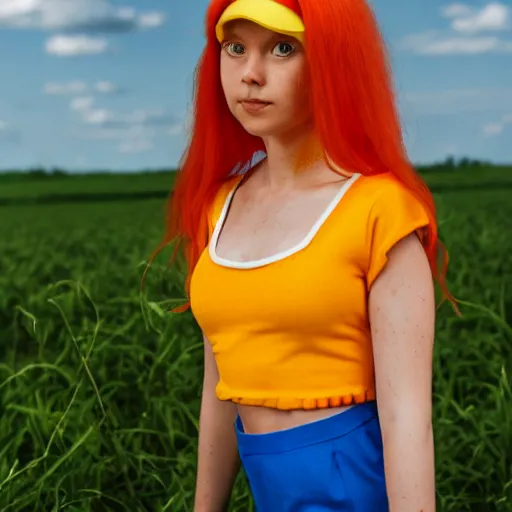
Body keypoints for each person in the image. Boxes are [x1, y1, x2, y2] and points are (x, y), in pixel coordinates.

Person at [146, 0, 459, 510]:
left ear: (334, 62)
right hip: (267, 485)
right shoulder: (219, 206)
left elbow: (407, 420)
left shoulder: (381, 211)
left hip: (350, 484)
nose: (251, 74)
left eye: (283, 49)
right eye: (236, 48)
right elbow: (220, 387)